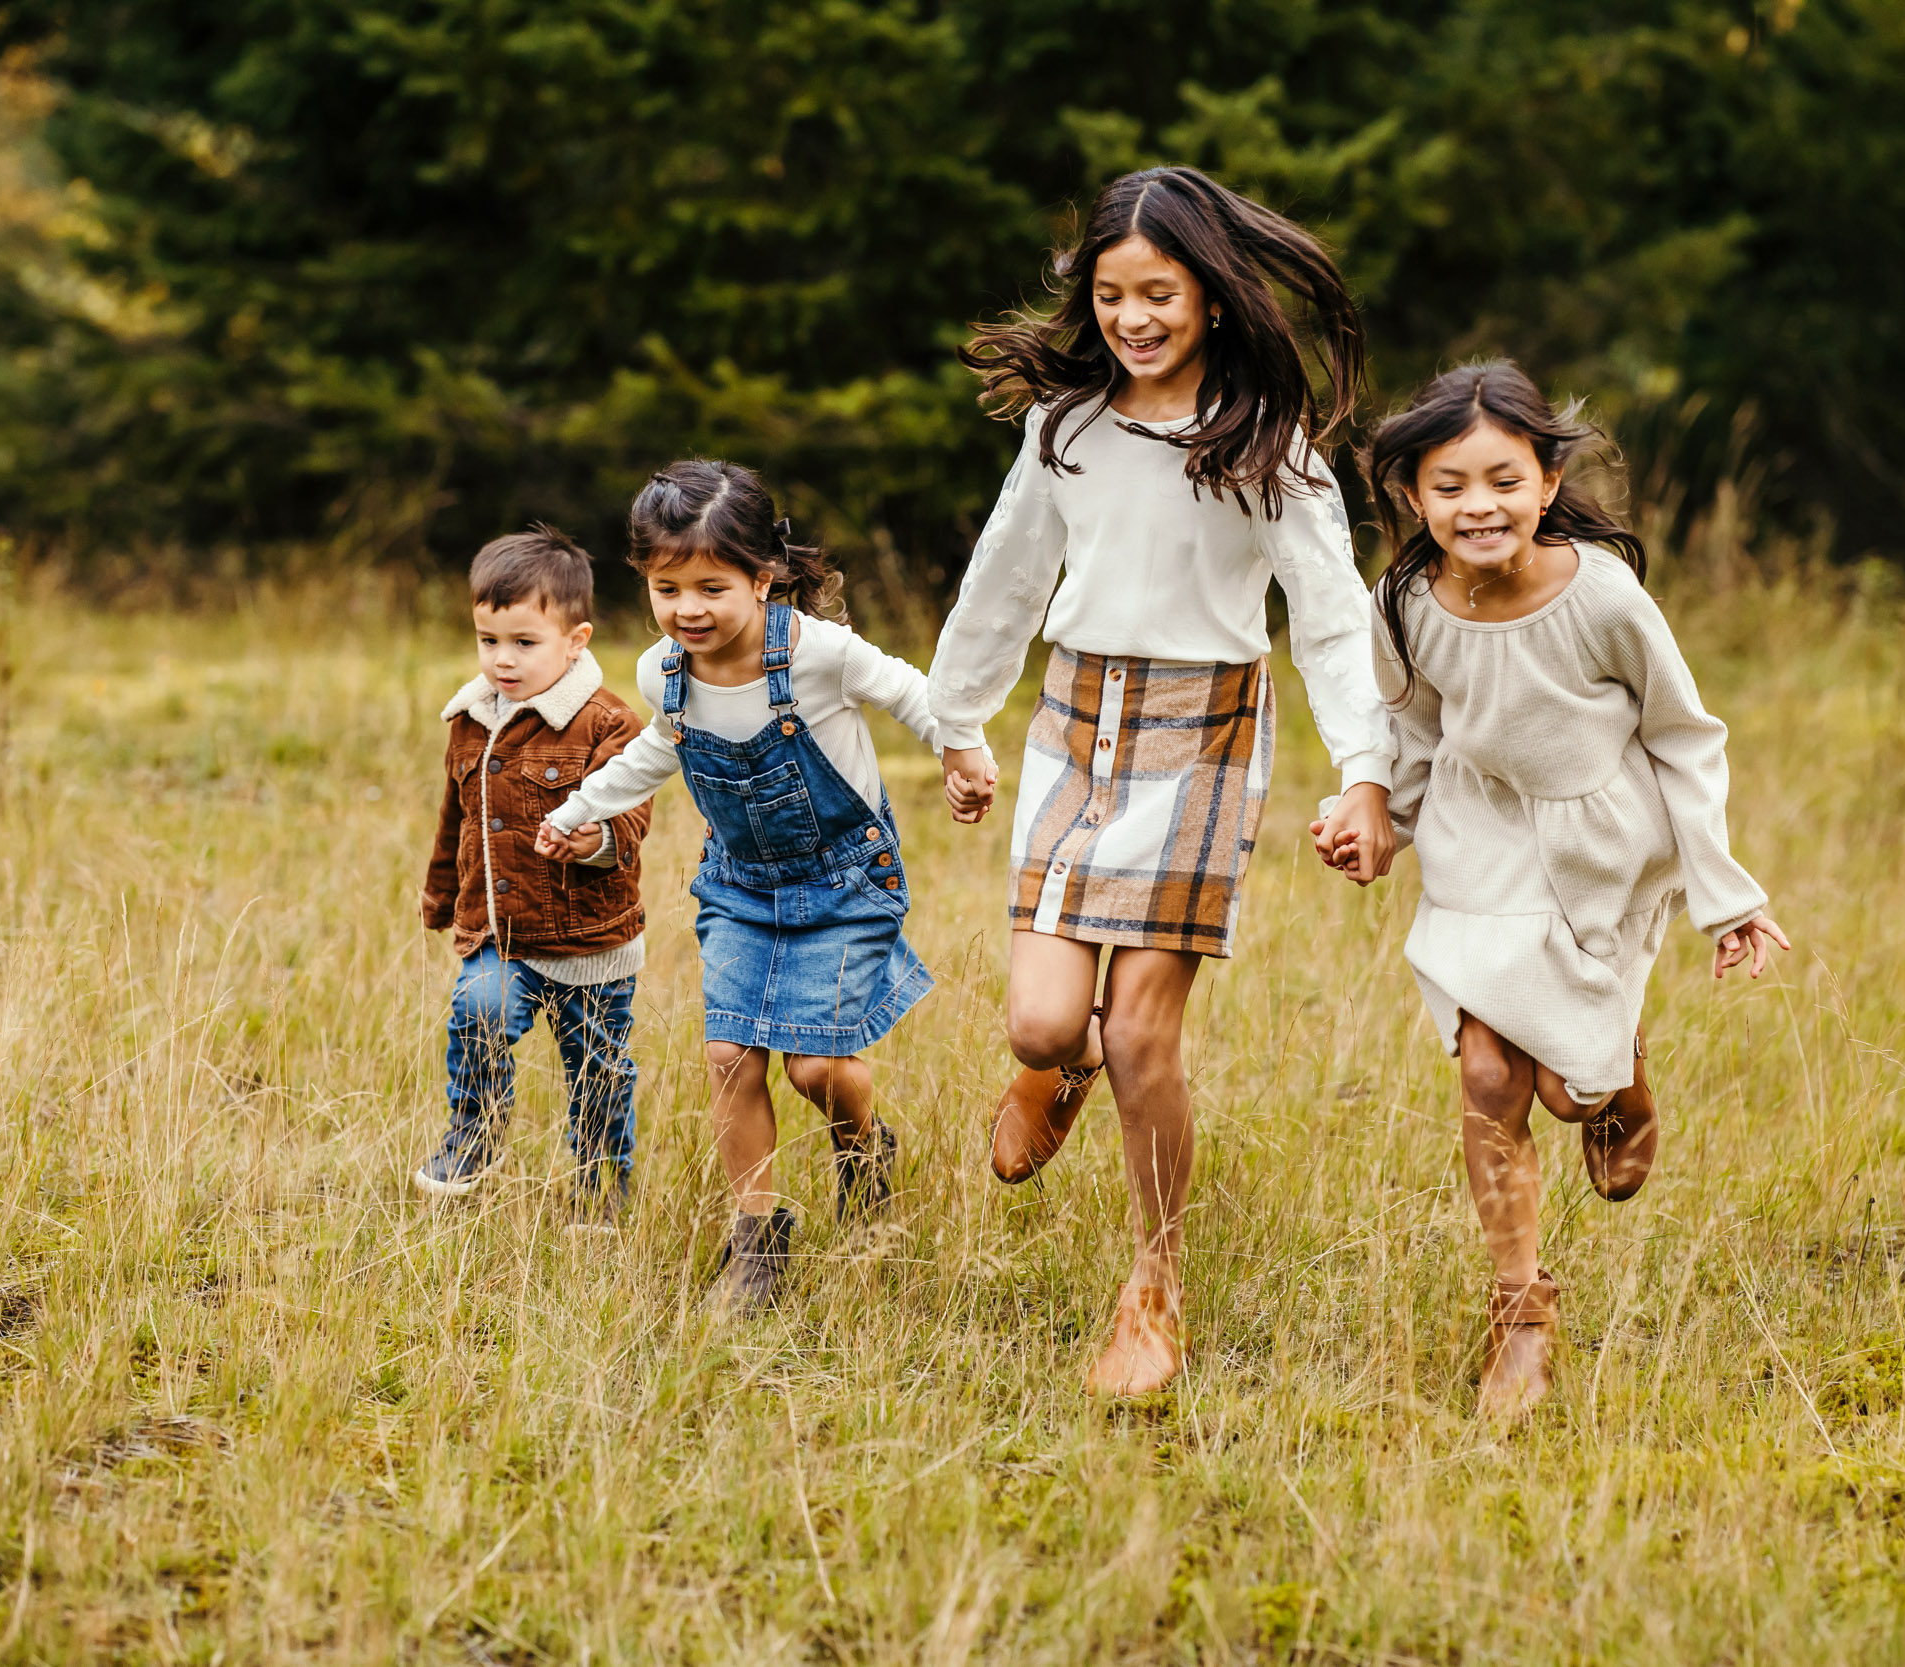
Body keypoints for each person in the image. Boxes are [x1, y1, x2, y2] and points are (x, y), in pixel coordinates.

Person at [928, 165, 1397, 1396]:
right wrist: (956, 719)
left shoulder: (1265, 440)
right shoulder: (1063, 429)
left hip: (1204, 732)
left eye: (1161, 294)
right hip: (1078, 722)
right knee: (1044, 1020)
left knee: (1143, 1033)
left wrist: (1365, 773)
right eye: (1113, 293)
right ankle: (1057, 1068)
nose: (1135, 318)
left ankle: (1153, 1284)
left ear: (1212, 296)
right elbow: (1004, 576)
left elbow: (1333, 616)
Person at [1317, 360, 1789, 1417]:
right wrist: (1378, 822)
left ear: (1544, 479)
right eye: (1447, 486)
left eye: (1499, 480)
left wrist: (1724, 893)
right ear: (1410, 495)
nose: (1475, 506)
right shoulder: (1404, 601)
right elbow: (1414, 731)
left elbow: (1684, 736)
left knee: (1563, 1090)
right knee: (1487, 1074)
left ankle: (1612, 1076)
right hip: (1478, 845)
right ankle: (1519, 1310)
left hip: (1599, 854)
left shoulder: (1603, 597)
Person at [538, 462, 965, 1314]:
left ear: (761, 578)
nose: (688, 608)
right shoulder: (668, 671)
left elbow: (914, 690)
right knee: (729, 1056)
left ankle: (864, 1147)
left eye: (710, 586)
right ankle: (757, 1242)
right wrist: (583, 807)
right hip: (739, 889)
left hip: (845, 880)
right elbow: (660, 748)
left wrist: (963, 751)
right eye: (667, 587)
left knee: (816, 1068)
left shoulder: (815, 652)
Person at [417, 525, 656, 1227]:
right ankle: (475, 1127)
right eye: (489, 640)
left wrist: (597, 839)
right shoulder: (470, 718)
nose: (502, 659)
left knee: (599, 1076)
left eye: (525, 642)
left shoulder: (609, 724)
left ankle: (601, 1190)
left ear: (575, 639)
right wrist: (439, 894)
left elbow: (633, 818)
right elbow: (456, 817)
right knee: (479, 1009)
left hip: (591, 941)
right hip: (502, 932)